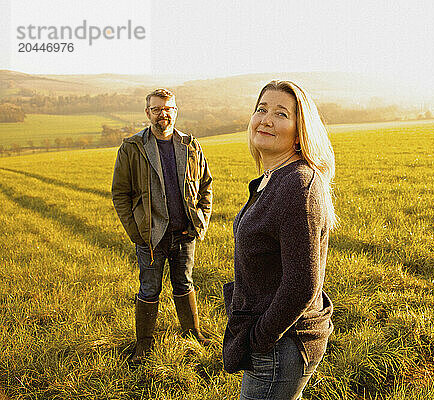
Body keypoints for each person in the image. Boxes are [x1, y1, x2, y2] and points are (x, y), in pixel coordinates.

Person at [222, 80, 336, 399]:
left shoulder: (297, 185)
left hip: (281, 344)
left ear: (300, 131)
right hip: (277, 338)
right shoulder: (273, 178)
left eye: (281, 113)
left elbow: (302, 283)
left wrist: (260, 339)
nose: (267, 119)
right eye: (262, 109)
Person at [111, 88, 213, 363]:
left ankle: (192, 333)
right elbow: (120, 193)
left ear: (175, 111)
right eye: (156, 109)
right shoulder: (132, 148)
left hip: (184, 234)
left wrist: (200, 220)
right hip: (151, 237)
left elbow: (206, 185)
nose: (162, 114)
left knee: (184, 283)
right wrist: (137, 232)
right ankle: (144, 345)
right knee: (149, 289)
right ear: (147, 113)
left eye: (167, 108)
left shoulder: (190, 145)